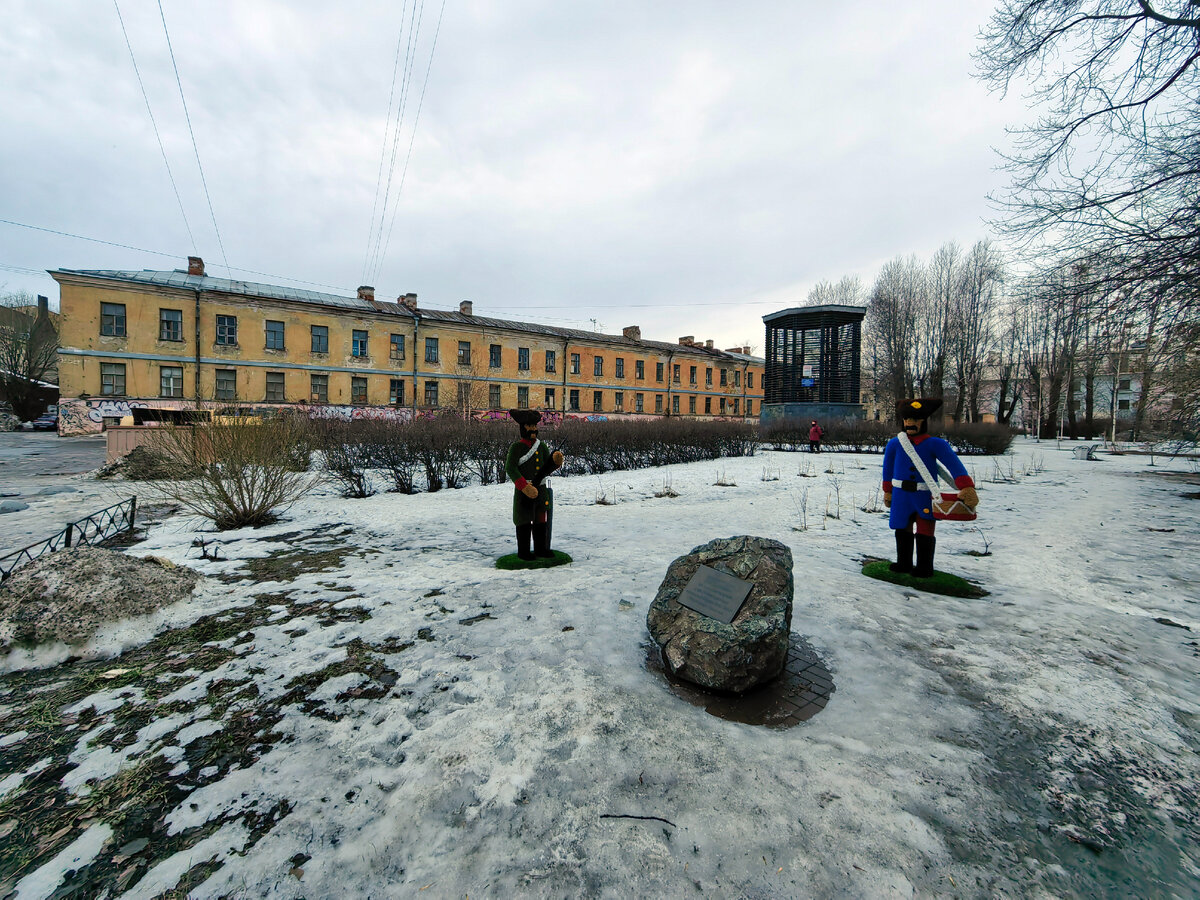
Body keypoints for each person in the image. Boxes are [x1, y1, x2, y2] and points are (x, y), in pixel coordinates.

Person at [881, 398, 979, 578]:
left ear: (923, 421)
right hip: (901, 495)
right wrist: (887, 490)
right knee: (902, 529)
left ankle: (924, 566)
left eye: (915, 420)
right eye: (907, 420)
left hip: (924, 495)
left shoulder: (936, 444)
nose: (910, 423)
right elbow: (887, 469)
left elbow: (954, 465)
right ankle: (903, 563)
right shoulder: (895, 444)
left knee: (926, 529)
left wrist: (967, 487)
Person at [504, 409, 564, 560]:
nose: (533, 429)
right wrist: (524, 486)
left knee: (540, 520)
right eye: (529, 426)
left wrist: (555, 462)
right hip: (524, 491)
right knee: (523, 521)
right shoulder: (516, 448)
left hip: (541, 489)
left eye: (534, 426)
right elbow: (510, 468)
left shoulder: (541, 446)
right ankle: (523, 552)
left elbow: (545, 468)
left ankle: (541, 549)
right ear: (522, 427)